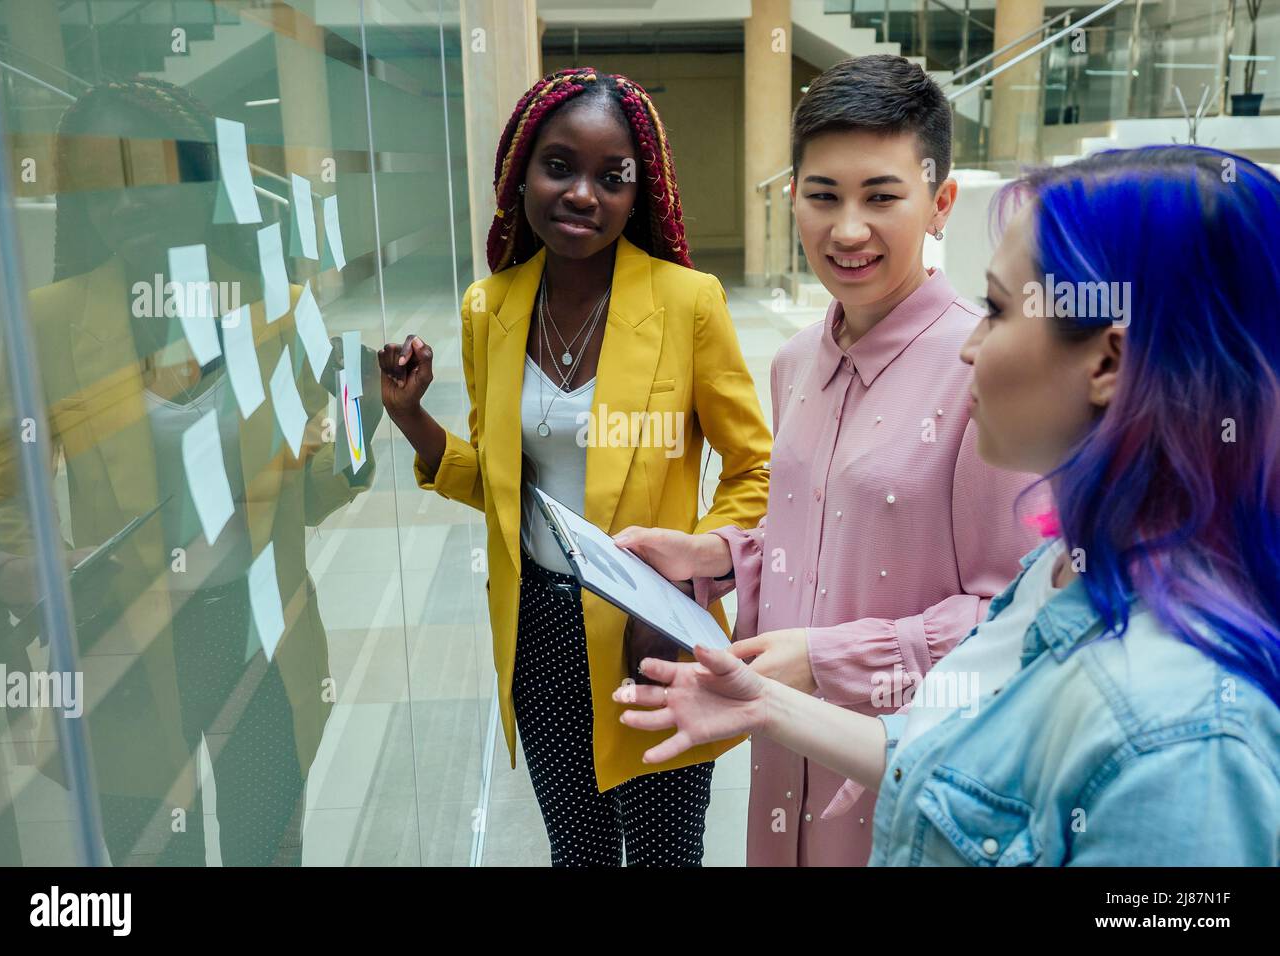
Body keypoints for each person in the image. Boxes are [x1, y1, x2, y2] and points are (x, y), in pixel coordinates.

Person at [616, 145, 1280, 865]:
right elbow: (963, 745)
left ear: (1108, 362)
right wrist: (765, 698)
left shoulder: (1181, 741)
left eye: (995, 310)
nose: (970, 348)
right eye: (822, 195)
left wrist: (827, 662)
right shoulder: (1062, 571)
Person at [615, 55, 1042, 865]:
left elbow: (1016, 619)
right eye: (823, 197)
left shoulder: (985, 368)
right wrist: (715, 556)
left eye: (882, 197)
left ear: (940, 203)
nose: (848, 230)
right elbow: (817, 537)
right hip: (781, 769)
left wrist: (823, 660)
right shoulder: (794, 361)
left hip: (899, 781)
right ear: (792, 199)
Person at [0, 78, 382, 865]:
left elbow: (314, 482)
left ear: (199, 179)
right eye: (99, 189)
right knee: (156, 852)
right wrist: (26, 567)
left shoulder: (280, 305)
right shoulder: (50, 321)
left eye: (147, 177)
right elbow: (7, 482)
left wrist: (366, 430)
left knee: (265, 845)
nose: (123, 205)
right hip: (127, 640)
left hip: (259, 630)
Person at [378, 68, 771, 866]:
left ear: (639, 193)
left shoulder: (688, 303)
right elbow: (497, 481)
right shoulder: (490, 308)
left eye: (611, 176)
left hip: (647, 632)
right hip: (536, 632)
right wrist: (412, 418)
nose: (583, 193)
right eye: (559, 166)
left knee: (665, 854)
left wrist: (694, 578)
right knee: (580, 854)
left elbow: (755, 469)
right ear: (520, 171)